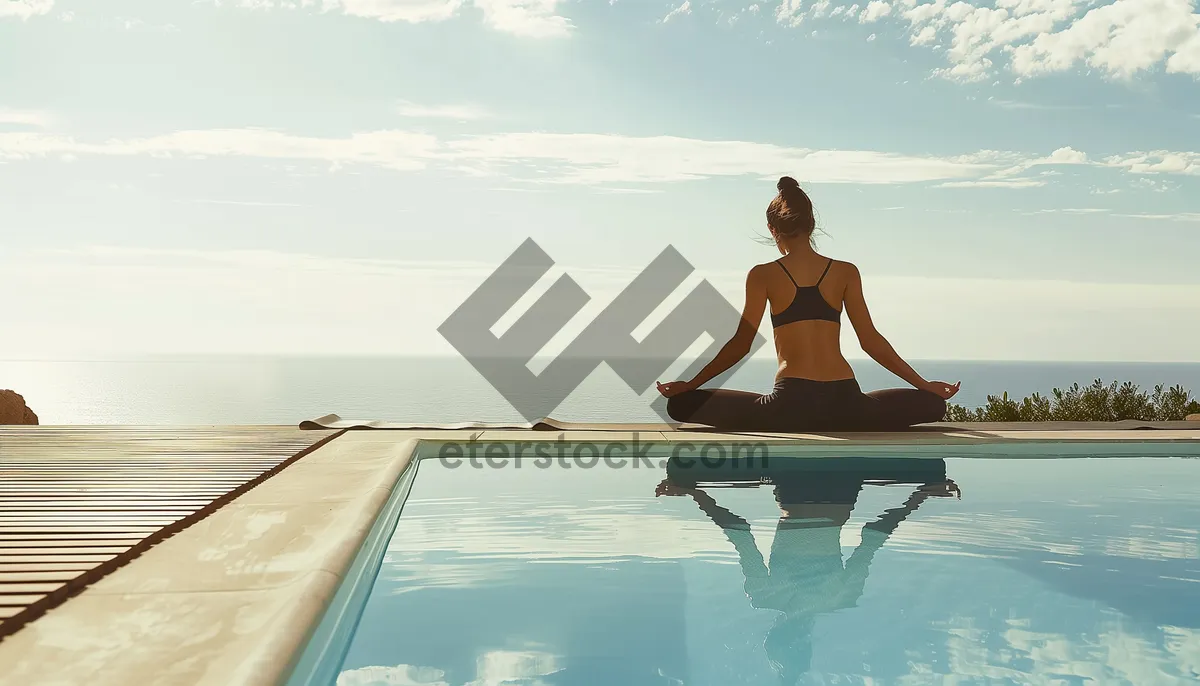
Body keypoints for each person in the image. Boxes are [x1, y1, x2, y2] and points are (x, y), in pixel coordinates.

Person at [656, 176, 960, 432]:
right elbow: (871, 342)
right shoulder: (845, 272)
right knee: (933, 404)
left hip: (789, 407)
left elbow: (740, 345)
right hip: (847, 404)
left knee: (681, 404)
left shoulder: (763, 276)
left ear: (772, 229)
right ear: (812, 224)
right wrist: (924, 384)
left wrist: (691, 383)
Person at [655, 457, 961, 684]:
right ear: (773, 634)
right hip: (803, 484)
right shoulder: (767, 596)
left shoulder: (837, 598)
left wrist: (921, 495)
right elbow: (740, 532)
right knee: (933, 465)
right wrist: (694, 493)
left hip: (835, 485)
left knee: (679, 465)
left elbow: (873, 537)